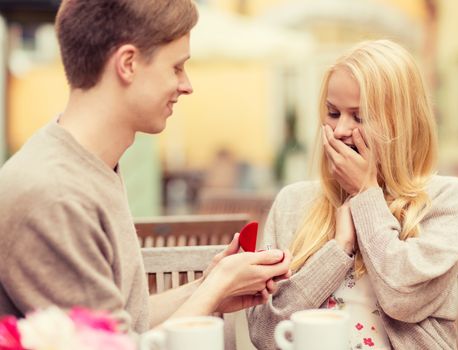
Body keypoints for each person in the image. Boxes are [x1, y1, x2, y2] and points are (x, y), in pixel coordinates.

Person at [0, 0, 291, 335]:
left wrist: (206, 287)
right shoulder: (53, 195)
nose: (187, 85)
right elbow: (114, 346)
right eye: (177, 67)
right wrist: (218, 287)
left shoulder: (88, 167)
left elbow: (125, 323)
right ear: (128, 64)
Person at [247, 40, 458, 349]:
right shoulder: (293, 203)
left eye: (359, 116)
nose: (341, 129)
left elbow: (401, 298)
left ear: (403, 124)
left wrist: (366, 195)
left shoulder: (450, 200)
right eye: (332, 112)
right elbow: (265, 334)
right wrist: (338, 250)